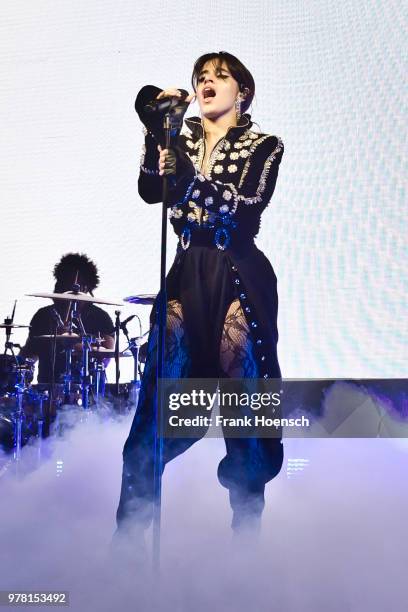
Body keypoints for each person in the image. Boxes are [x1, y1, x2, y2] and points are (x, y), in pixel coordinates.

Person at [117, 51, 285, 536]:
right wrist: (157, 128)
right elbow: (152, 189)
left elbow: (245, 205)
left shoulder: (264, 144)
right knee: (161, 394)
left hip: (238, 270)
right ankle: (127, 538)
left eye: (220, 76)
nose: (207, 82)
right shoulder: (181, 135)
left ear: (242, 91)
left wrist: (189, 172)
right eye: (201, 77)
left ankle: (245, 539)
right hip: (188, 269)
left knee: (245, 397)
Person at [20, 253, 115, 385]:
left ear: (84, 287)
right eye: (59, 281)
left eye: (65, 282)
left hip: (87, 392)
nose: (59, 287)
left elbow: (105, 358)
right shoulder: (43, 315)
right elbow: (30, 353)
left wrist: (70, 342)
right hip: (47, 392)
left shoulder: (100, 317)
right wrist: (15, 364)